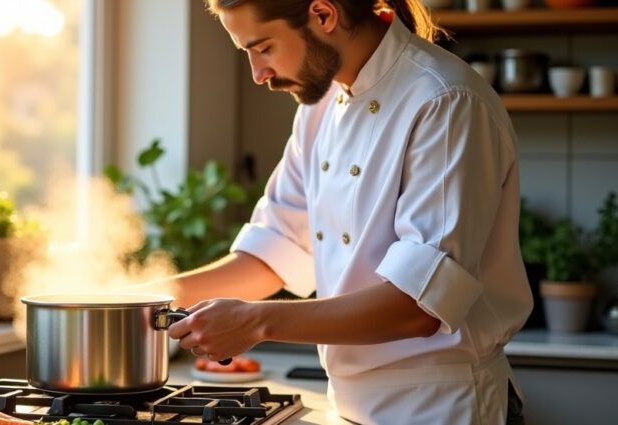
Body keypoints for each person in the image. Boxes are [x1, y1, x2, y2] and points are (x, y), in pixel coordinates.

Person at [140, 0, 534, 423]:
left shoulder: (445, 99)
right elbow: (275, 251)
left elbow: (417, 306)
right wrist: (133, 301)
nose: (259, 74)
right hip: (349, 407)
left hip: (442, 407)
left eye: (264, 48)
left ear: (324, 14)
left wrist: (256, 322)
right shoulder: (320, 107)